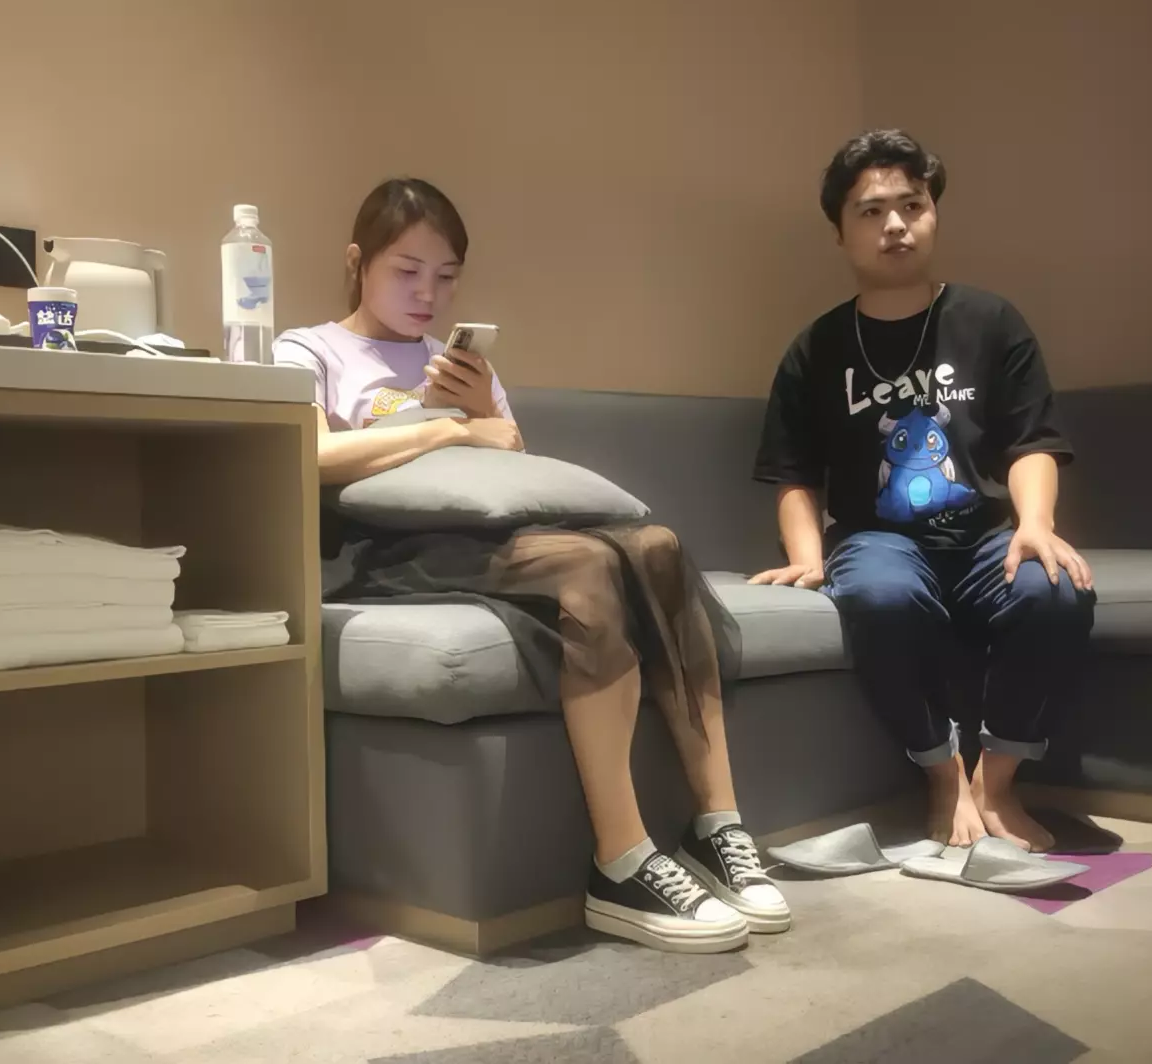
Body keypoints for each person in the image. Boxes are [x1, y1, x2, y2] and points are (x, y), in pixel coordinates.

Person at [274, 178, 789, 953]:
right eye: (406, 271)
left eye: (446, 277)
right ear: (357, 262)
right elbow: (312, 453)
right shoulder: (308, 348)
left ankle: (719, 825)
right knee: (584, 565)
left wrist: (485, 412)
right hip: (376, 549)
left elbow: (513, 469)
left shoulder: (456, 365)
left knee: (657, 547)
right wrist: (450, 431)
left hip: (479, 538)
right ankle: (621, 861)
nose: (426, 294)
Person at [750, 131, 1096, 852]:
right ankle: (942, 775)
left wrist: (1035, 522)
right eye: (871, 211)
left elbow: (1031, 440)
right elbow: (794, 472)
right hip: (876, 539)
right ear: (840, 232)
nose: (896, 225)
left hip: (984, 536)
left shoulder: (991, 321)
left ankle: (994, 783)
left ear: (934, 213)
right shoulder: (816, 348)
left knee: (1057, 589)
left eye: (913, 205)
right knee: (880, 596)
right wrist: (808, 557)